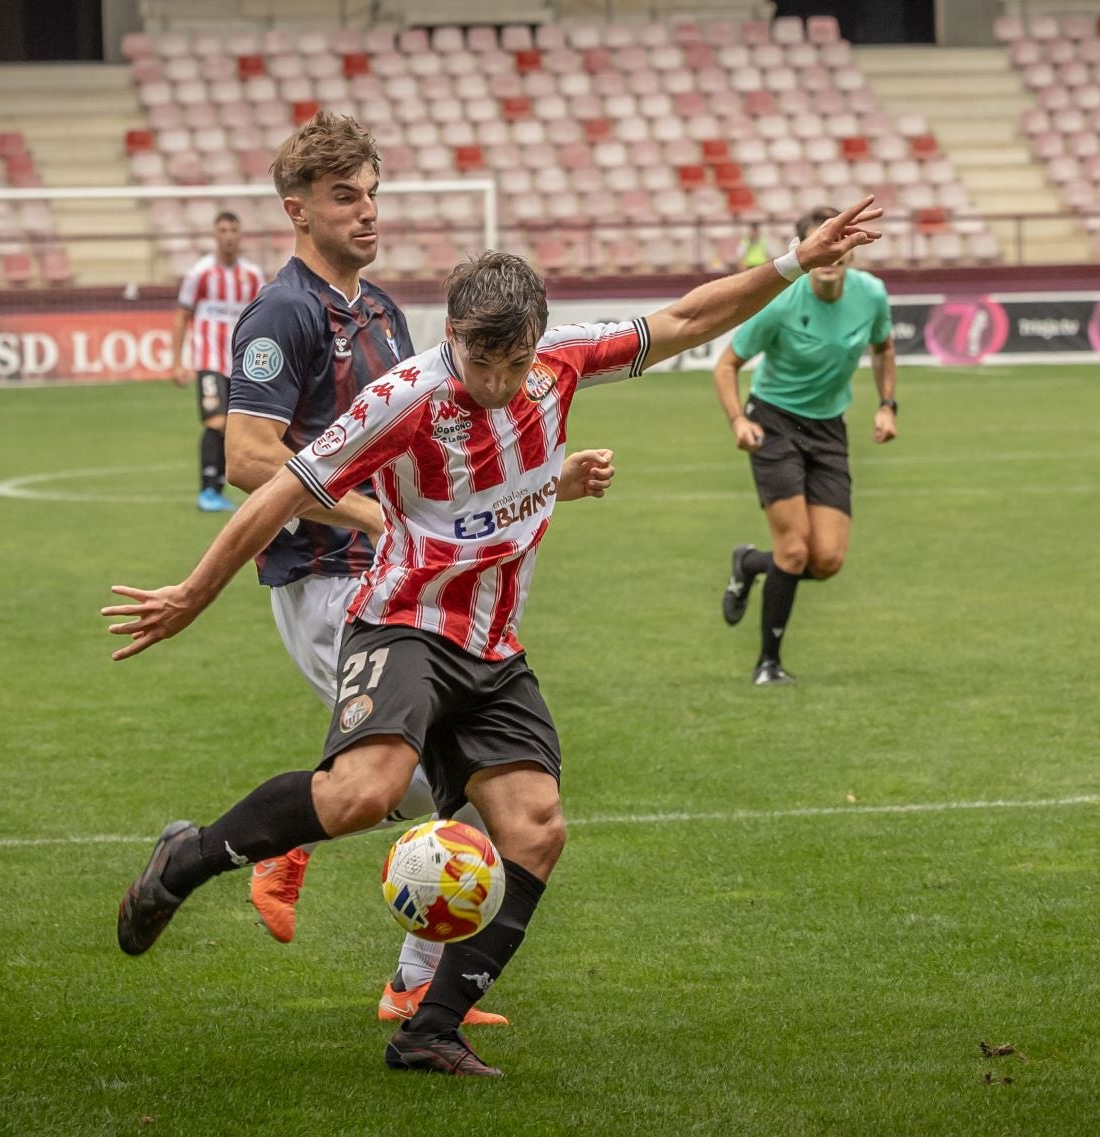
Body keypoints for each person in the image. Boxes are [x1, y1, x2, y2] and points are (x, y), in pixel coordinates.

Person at [103, 199, 883, 1077]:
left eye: (518, 362)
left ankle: (428, 1029)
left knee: (535, 826)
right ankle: (190, 857)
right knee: (365, 792)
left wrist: (789, 259)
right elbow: (284, 487)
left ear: (539, 341)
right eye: (484, 360)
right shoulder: (404, 400)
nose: (503, 382)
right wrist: (193, 594)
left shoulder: (559, 362)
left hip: (493, 644)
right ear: (454, 338)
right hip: (401, 621)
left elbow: (688, 316)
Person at [220, 111, 613, 1028]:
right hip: (330, 574)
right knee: (453, 786)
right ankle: (298, 853)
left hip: (401, 576)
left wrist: (547, 478)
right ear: (297, 210)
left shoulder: (386, 310)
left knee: (457, 787)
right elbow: (249, 457)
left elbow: (436, 454)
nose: (367, 214)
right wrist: (371, 512)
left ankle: (404, 969)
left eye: (373, 195)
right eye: (344, 197)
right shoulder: (282, 314)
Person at [712, 206, 899, 684]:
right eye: (821, 243)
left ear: (851, 248)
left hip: (828, 429)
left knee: (827, 560)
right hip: (773, 424)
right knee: (794, 552)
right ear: (804, 250)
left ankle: (750, 562)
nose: (832, 255)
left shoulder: (872, 295)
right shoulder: (779, 302)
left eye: (841, 242)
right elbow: (727, 364)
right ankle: (768, 663)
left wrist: (886, 405)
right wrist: (738, 420)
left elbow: (883, 348)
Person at [174, 211, 266, 513]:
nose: (228, 236)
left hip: (241, 364)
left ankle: (218, 487)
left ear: (240, 235)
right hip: (209, 360)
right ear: (215, 234)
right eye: (223, 230)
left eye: (233, 230)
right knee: (216, 421)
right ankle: (207, 490)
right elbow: (181, 317)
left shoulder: (252, 276)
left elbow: (263, 318)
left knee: (239, 426)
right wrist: (177, 361)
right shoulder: (200, 273)